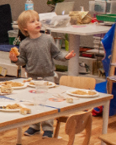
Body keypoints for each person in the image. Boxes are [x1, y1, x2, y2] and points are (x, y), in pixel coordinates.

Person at [9, 10, 75, 138]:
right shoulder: (24, 44)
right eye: (32, 21)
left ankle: (48, 128)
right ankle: (34, 125)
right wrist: (15, 60)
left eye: (38, 20)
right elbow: (23, 61)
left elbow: (56, 54)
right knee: (33, 102)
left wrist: (66, 57)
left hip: (48, 76)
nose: (37, 23)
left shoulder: (48, 39)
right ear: (25, 28)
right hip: (32, 78)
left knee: (47, 103)